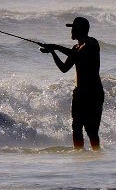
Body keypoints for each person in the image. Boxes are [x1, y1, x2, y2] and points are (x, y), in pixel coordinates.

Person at [41, 17, 104, 151]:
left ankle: (97, 155)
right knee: (76, 128)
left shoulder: (92, 44)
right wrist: (52, 52)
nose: (71, 31)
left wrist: (56, 47)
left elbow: (79, 56)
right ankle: (79, 155)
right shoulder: (76, 48)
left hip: (93, 93)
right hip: (79, 93)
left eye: (73, 28)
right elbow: (64, 68)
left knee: (91, 130)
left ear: (80, 30)